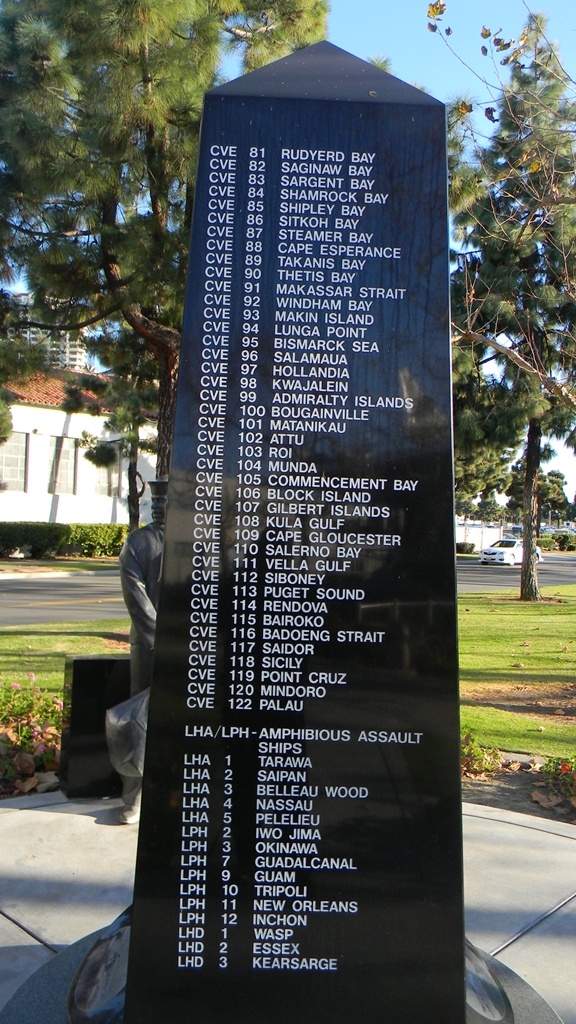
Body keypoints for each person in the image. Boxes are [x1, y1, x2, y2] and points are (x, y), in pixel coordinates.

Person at [106, 478, 167, 824]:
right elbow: (136, 596)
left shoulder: (197, 539)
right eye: (157, 501)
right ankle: (134, 796)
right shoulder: (138, 542)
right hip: (148, 646)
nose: (160, 507)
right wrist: (159, 641)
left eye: (166, 500)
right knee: (138, 719)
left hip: (188, 643)